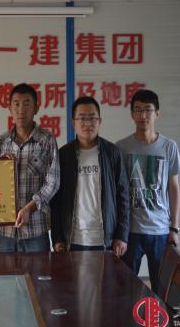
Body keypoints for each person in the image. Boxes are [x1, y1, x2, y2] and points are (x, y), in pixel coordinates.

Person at [117, 89, 180, 293]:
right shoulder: (122, 147)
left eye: (148, 110)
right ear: (132, 114)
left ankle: (158, 316)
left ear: (157, 113)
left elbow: (173, 188)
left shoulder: (169, 147)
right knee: (126, 288)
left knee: (161, 289)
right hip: (131, 231)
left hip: (160, 231)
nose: (143, 115)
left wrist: (174, 228)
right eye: (138, 110)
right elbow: (118, 191)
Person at [51, 96, 129, 254]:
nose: (87, 123)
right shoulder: (63, 155)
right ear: (73, 122)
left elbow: (123, 196)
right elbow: (56, 200)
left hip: (106, 240)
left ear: (100, 121)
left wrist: (122, 236)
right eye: (82, 118)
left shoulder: (112, 153)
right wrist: (57, 238)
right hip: (73, 239)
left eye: (92, 118)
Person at [0, 83, 59, 252]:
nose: (21, 109)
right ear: (9, 108)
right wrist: (0, 170)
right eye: (16, 104)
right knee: (3, 271)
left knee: (39, 271)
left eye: (27, 104)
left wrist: (30, 208)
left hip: (35, 232)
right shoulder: (2, 142)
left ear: (36, 108)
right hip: (5, 232)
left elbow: (53, 182)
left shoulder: (46, 140)